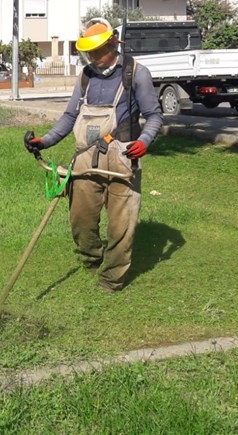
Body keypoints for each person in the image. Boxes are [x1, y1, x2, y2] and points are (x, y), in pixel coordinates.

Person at [23, 19, 164, 293]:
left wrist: (144, 141)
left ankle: (112, 279)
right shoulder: (86, 75)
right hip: (85, 158)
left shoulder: (136, 73)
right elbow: (70, 116)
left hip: (123, 158)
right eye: (90, 54)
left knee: (121, 225)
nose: (94, 58)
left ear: (113, 43)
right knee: (81, 220)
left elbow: (154, 116)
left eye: (99, 52)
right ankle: (92, 257)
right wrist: (45, 140)